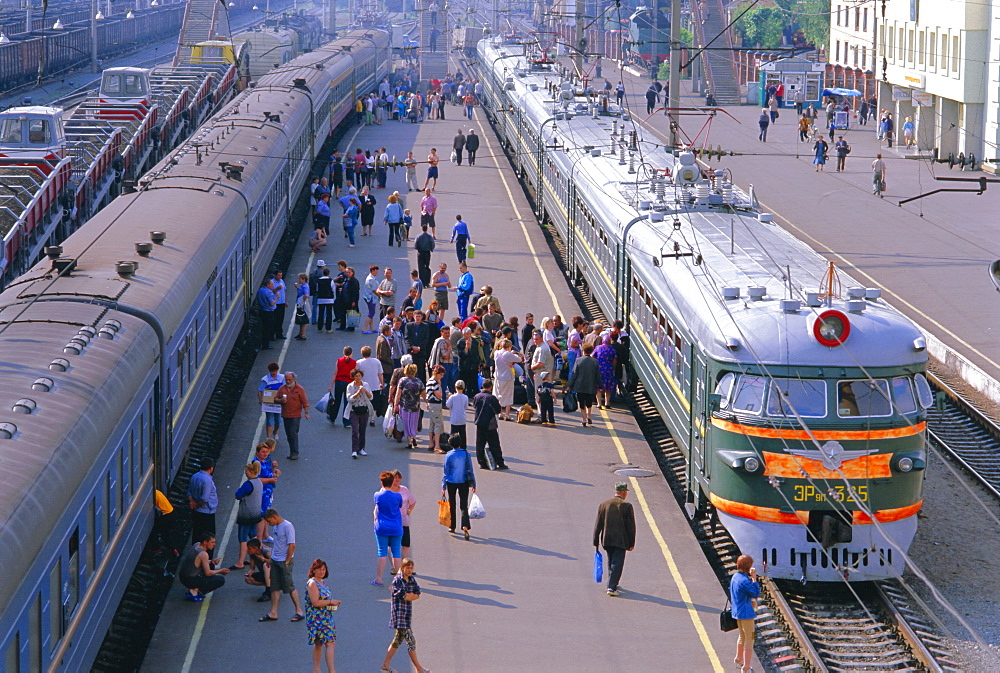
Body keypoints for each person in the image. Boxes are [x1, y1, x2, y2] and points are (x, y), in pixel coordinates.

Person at [380, 558, 430, 673]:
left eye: (411, 568)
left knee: (397, 641)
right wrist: (411, 595)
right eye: (407, 568)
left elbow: (417, 593)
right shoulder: (398, 580)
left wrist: (411, 595)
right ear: (402, 568)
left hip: (406, 616)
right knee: (411, 641)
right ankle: (419, 668)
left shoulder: (412, 579)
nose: (410, 570)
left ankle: (385, 665)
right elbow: (403, 596)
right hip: (399, 616)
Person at [260, 508, 305, 622]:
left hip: (284, 561)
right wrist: (272, 559)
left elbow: (292, 545)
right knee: (274, 587)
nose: (269, 524)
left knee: (289, 586)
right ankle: (273, 612)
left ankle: (299, 611)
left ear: (275, 517)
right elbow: (277, 544)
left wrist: (287, 561)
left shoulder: (287, 526)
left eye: (270, 521)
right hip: (275, 560)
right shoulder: (276, 526)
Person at [593, 482, 636, 597]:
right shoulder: (626, 506)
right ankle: (611, 587)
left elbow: (598, 524)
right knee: (617, 563)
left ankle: (613, 582)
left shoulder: (604, 504)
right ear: (623, 492)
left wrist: (595, 540)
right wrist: (631, 543)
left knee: (611, 560)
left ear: (615, 491)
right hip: (620, 540)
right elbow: (631, 527)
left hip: (606, 539)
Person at [305, 559, 340, 673]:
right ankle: (331, 670)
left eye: (323, 569)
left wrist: (331, 604)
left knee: (320, 643)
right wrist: (330, 601)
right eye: (319, 569)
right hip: (317, 619)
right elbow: (315, 602)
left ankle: (317, 669)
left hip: (326, 617)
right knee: (329, 643)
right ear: (313, 570)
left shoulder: (323, 583)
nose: (322, 571)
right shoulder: (312, 583)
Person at [441, 433, 476, 539]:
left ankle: (452, 526)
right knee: (463, 505)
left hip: (451, 482)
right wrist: (474, 484)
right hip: (464, 482)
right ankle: (465, 526)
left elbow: (446, 472)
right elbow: (470, 469)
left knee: (452, 504)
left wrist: (443, 486)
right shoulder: (466, 454)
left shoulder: (449, 455)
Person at [178, 532, 229, 601]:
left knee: (210, 566)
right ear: (205, 542)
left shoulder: (196, 545)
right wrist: (221, 571)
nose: (214, 544)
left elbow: (197, 562)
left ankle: (194, 588)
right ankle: (195, 590)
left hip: (183, 577)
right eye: (212, 542)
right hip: (191, 579)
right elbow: (208, 573)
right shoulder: (203, 554)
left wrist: (211, 561)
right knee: (220, 580)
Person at [373, 471, 404, 586]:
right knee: (396, 552)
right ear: (392, 482)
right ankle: (399, 579)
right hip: (396, 527)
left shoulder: (377, 495)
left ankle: (379, 578)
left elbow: (377, 506)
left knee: (382, 552)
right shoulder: (397, 496)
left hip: (381, 527)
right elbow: (400, 506)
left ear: (381, 482)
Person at [731, 555, 760, 673]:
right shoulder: (744, 581)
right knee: (750, 638)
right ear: (748, 567)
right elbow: (755, 593)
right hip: (746, 613)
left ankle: (738, 658)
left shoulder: (735, 577)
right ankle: (746, 667)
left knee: (742, 635)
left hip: (737, 611)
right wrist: (754, 579)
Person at [233, 462, 264, 570]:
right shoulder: (259, 482)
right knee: (253, 536)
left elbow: (237, 495)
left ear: (251, 472)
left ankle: (240, 562)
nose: (245, 473)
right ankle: (254, 558)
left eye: (246, 471)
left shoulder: (248, 484)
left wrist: (241, 497)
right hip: (256, 514)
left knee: (243, 538)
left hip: (246, 515)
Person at [473, 379, 507, 470]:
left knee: (480, 444)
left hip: (479, 422)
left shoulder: (477, 396)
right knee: (494, 443)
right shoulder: (492, 398)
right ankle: (500, 462)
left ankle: (482, 463)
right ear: (491, 387)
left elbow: (475, 406)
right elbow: (497, 410)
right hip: (490, 423)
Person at [278, 371, 310, 460]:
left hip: (296, 416)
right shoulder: (282, 389)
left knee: (293, 433)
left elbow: (305, 402)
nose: (288, 381)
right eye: (286, 379)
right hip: (286, 415)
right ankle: (292, 451)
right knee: (289, 434)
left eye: (289, 379)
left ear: (294, 379)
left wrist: (306, 413)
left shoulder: (300, 389)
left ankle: (295, 452)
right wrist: (280, 401)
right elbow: (275, 399)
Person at [393, 363, 425, 450]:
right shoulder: (418, 381)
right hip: (415, 406)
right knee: (413, 423)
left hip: (404, 406)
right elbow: (424, 394)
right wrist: (427, 402)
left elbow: (398, 394)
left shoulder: (402, 380)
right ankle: (414, 437)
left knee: (406, 423)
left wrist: (395, 404)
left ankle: (409, 442)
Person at [569, 342, 601, 426]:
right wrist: (600, 385)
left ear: (583, 351)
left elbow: (574, 374)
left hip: (579, 385)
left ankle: (584, 419)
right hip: (591, 385)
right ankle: (589, 415)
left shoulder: (578, 360)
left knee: (582, 403)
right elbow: (598, 375)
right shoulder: (595, 362)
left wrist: (569, 385)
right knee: (589, 401)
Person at [253, 441, 280, 540]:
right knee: (262, 516)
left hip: (267, 493)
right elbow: (256, 479)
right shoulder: (257, 463)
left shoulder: (265, 462)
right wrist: (270, 479)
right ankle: (259, 540)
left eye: (266, 452)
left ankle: (265, 535)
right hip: (261, 493)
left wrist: (274, 470)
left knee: (265, 514)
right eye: (263, 452)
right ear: (258, 453)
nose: (265, 454)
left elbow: (269, 474)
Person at [188, 457, 218, 544]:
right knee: (209, 537)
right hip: (207, 512)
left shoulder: (194, 476)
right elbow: (205, 498)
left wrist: (192, 502)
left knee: (197, 535)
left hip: (196, 512)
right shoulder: (207, 480)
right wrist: (197, 505)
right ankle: (207, 557)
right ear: (211, 468)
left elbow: (189, 491)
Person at [327, 346, 357, 429]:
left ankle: (332, 418)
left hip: (339, 382)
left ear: (343, 353)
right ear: (351, 353)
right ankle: (346, 421)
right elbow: (355, 375)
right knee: (347, 403)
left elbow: (335, 374)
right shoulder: (354, 363)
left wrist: (331, 386)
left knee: (337, 401)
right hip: (349, 384)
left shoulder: (339, 361)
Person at [346, 368, 374, 458]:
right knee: (355, 431)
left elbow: (371, 397)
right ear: (353, 377)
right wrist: (357, 392)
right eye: (356, 376)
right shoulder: (350, 386)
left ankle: (362, 448)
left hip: (364, 410)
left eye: (359, 376)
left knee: (362, 430)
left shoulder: (365, 385)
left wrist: (365, 391)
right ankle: (354, 450)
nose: (358, 378)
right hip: (354, 410)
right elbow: (349, 399)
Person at [493, 339, 523, 420]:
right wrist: (512, 353)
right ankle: (507, 414)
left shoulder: (496, 353)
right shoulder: (507, 354)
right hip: (507, 377)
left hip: (498, 376)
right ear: (509, 346)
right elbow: (519, 359)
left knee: (498, 395)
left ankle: (500, 413)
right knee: (508, 395)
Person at [390, 470, 417, 558]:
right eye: (395, 478)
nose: (397, 480)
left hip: (403, 520)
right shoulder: (387, 490)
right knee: (392, 545)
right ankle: (395, 567)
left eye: (399, 478)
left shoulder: (404, 489)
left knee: (406, 544)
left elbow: (412, 501)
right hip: (392, 520)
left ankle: (404, 565)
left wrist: (408, 511)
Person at [258, 361, 283, 440]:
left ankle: (275, 432)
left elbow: (286, 388)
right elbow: (260, 390)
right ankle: (268, 437)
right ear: (270, 371)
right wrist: (260, 399)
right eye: (272, 371)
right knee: (269, 419)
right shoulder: (265, 379)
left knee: (278, 421)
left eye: (275, 371)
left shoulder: (282, 378)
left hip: (279, 402)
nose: (274, 373)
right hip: (269, 403)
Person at [592, 339, 617, 410]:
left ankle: (599, 403)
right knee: (608, 387)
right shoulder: (612, 349)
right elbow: (615, 360)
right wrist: (612, 367)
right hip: (609, 369)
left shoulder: (598, 348)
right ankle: (607, 403)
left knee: (598, 386)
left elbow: (592, 356)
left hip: (599, 369)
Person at [445, 379, 469, 447]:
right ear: (464, 388)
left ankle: (453, 446)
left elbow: (448, 405)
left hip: (454, 419)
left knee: (453, 433)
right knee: (462, 434)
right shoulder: (465, 397)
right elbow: (466, 407)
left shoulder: (452, 397)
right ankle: (463, 447)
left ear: (455, 387)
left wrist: (449, 397)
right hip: (462, 418)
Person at [257, 278, 277, 350]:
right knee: (267, 329)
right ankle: (266, 345)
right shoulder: (268, 292)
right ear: (267, 284)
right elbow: (271, 303)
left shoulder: (260, 290)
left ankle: (263, 343)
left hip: (261, 310)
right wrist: (276, 298)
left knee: (263, 328)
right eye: (272, 284)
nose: (273, 285)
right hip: (268, 312)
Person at [315, 268, 335, 333]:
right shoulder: (330, 280)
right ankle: (328, 328)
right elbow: (333, 289)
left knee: (321, 313)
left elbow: (317, 289)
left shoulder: (319, 280)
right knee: (329, 314)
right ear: (328, 273)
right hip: (329, 299)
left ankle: (319, 328)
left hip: (321, 299)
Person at [362, 264, 381, 334]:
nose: (377, 273)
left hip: (372, 298)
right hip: (370, 298)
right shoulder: (371, 279)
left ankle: (371, 328)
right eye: (376, 271)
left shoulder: (372, 277)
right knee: (371, 313)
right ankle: (364, 328)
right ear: (372, 271)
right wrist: (380, 296)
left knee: (371, 313)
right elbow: (374, 290)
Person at [294, 273, 311, 341]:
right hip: (301, 304)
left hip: (302, 305)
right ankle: (300, 333)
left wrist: (302, 301)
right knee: (300, 319)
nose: (299, 280)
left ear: (303, 279)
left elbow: (306, 295)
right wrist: (298, 288)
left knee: (303, 319)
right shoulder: (302, 286)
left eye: (300, 279)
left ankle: (303, 334)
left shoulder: (305, 286)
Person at [271, 271, 287, 340]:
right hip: (275, 303)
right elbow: (270, 292)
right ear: (275, 275)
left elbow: (284, 291)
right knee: (274, 319)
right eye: (279, 275)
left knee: (280, 319)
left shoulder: (282, 281)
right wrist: (277, 288)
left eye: (281, 275)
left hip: (282, 302)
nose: (280, 277)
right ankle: (272, 335)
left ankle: (279, 334)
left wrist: (285, 301)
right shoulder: (272, 282)